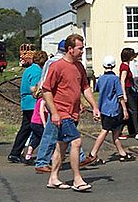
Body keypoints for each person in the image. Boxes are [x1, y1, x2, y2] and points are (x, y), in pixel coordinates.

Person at [41, 34, 101, 191]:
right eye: (80, 48)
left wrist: (94, 107)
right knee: (76, 142)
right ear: (70, 49)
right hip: (62, 113)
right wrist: (54, 112)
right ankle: (77, 179)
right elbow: (46, 90)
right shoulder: (57, 66)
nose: (82, 51)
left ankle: (53, 178)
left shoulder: (79, 67)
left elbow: (85, 88)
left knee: (61, 145)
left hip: (73, 113)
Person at [85, 55, 133, 164]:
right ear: (114, 65)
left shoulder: (101, 78)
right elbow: (120, 95)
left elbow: (96, 89)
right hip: (113, 110)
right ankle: (93, 153)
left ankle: (122, 153)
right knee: (106, 131)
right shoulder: (115, 79)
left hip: (103, 108)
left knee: (116, 132)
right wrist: (125, 109)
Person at [8, 49, 46, 163]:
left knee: (25, 128)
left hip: (26, 102)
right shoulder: (38, 72)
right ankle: (32, 153)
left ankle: (16, 152)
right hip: (33, 103)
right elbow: (33, 88)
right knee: (37, 129)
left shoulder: (28, 69)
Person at [118, 48, 138, 140]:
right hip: (127, 90)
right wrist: (124, 94)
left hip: (129, 90)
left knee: (128, 111)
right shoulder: (125, 67)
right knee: (134, 111)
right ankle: (137, 132)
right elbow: (122, 80)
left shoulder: (126, 65)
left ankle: (126, 131)